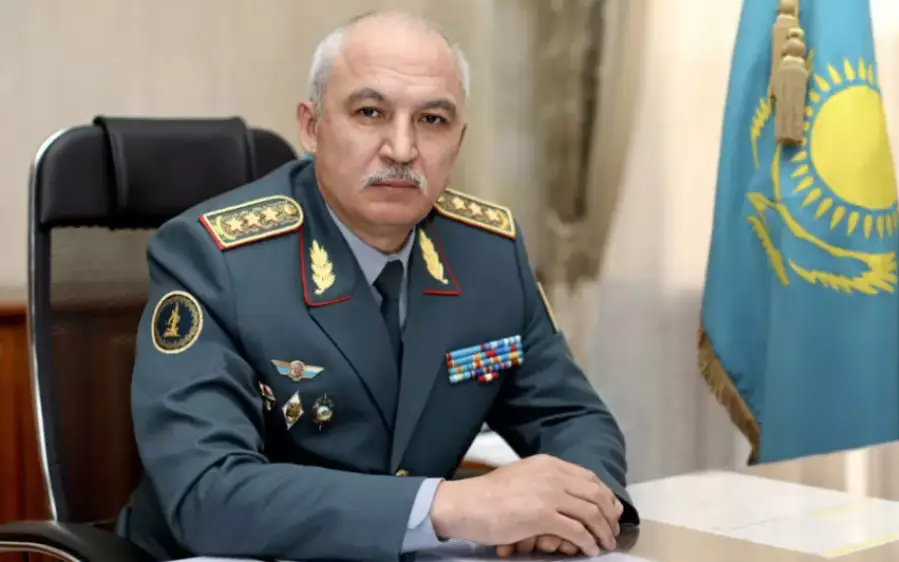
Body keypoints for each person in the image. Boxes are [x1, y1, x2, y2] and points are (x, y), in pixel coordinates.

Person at [118, 9, 637, 562]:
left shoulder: (488, 253)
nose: (402, 149)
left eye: (432, 120)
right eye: (370, 112)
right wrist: (445, 506)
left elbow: (571, 417)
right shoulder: (215, 258)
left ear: (459, 139)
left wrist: (568, 507)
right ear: (311, 127)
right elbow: (207, 493)